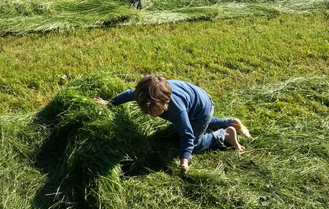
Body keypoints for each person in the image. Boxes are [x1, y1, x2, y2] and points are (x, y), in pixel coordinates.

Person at [94, 74, 252, 174]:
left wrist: (184, 160)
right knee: (194, 123)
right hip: (196, 101)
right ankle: (231, 122)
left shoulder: (177, 111)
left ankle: (224, 134)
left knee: (195, 144)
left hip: (201, 110)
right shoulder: (147, 94)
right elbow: (129, 94)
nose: (151, 115)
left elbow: (187, 136)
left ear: (165, 103)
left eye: (156, 111)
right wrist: (109, 103)